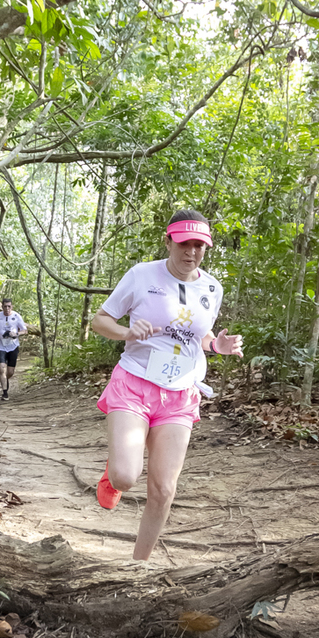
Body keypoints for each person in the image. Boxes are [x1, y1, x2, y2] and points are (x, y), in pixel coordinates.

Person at [89, 210, 243, 561]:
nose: (192, 252)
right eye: (185, 244)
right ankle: (114, 472)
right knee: (126, 476)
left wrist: (216, 346)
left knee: (163, 489)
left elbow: (198, 335)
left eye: (199, 245)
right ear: (168, 242)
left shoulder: (212, 288)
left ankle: (138, 567)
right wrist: (127, 332)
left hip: (180, 393)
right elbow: (100, 320)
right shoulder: (142, 275)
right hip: (135, 382)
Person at [0, 294, 27, 401]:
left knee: (10, 372)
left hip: (13, 346)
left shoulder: (17, 316)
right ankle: (5, 393)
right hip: (0, 346)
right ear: (2, 306)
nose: (7, 308)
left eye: (9, 306)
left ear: (12, 306)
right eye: (5, 306)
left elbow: (25, 330)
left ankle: (5, 380)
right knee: (1, 368)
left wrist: (16, 334)